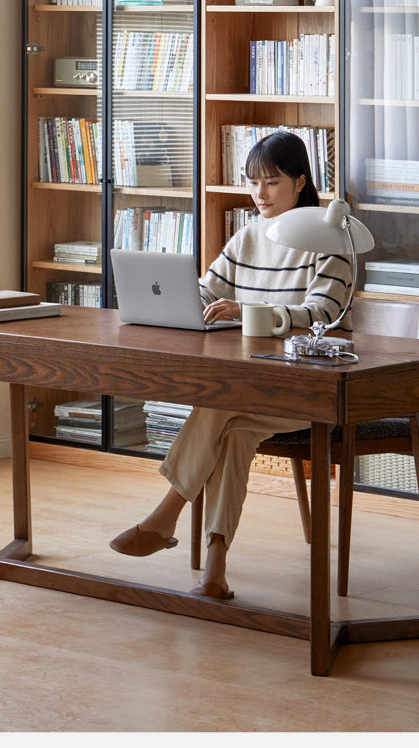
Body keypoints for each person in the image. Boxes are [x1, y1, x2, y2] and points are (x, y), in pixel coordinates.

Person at [109, 131, 353, 599]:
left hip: (310, 392)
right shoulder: (249, 236)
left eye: (272, 182)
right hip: (255, 391)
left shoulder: (331, 240)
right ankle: (215, 570)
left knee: (220, 405)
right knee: (234, 427)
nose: (259, 194)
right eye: (252, 182)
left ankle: (164, 517)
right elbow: (208, 289)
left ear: (301, 182)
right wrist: (181, 303)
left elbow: (323, 315)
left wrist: (250, 310)